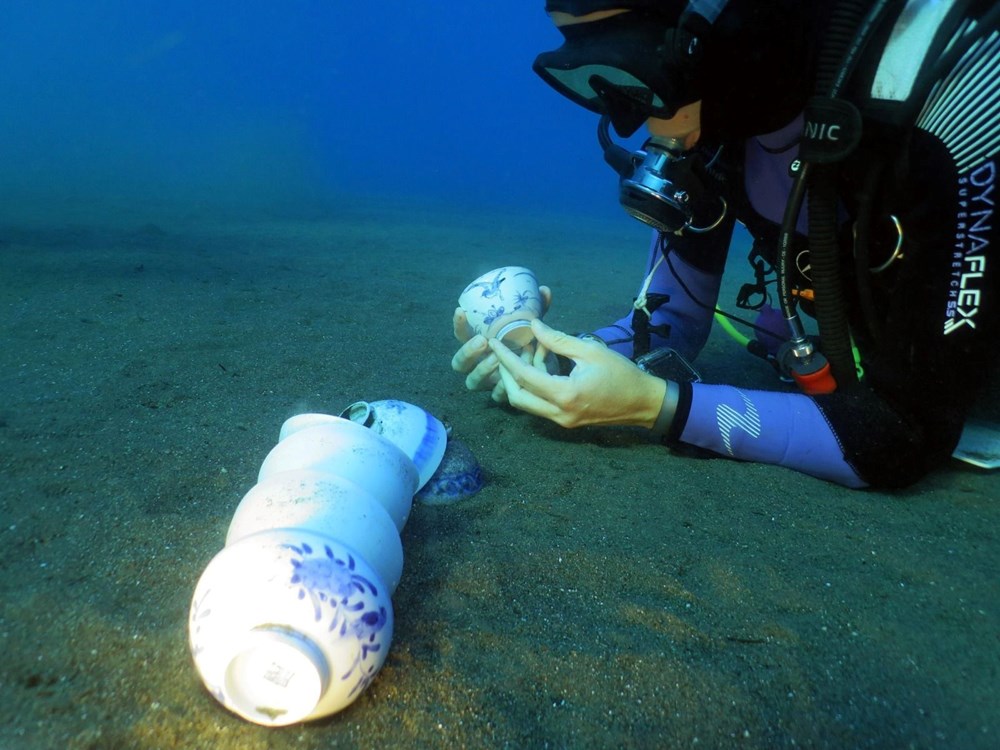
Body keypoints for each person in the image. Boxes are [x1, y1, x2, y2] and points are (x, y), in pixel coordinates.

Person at [452, 0, 1000, 489]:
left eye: (632, 65)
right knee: (774, 326)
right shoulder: (724, 115)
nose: (626, 117)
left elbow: (902, 432)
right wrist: (547, 354)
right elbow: (672, 324)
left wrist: (656, 407)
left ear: (716, 30)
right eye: (592, 75)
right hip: (879, 345)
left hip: (960, 370)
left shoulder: (963, 93)